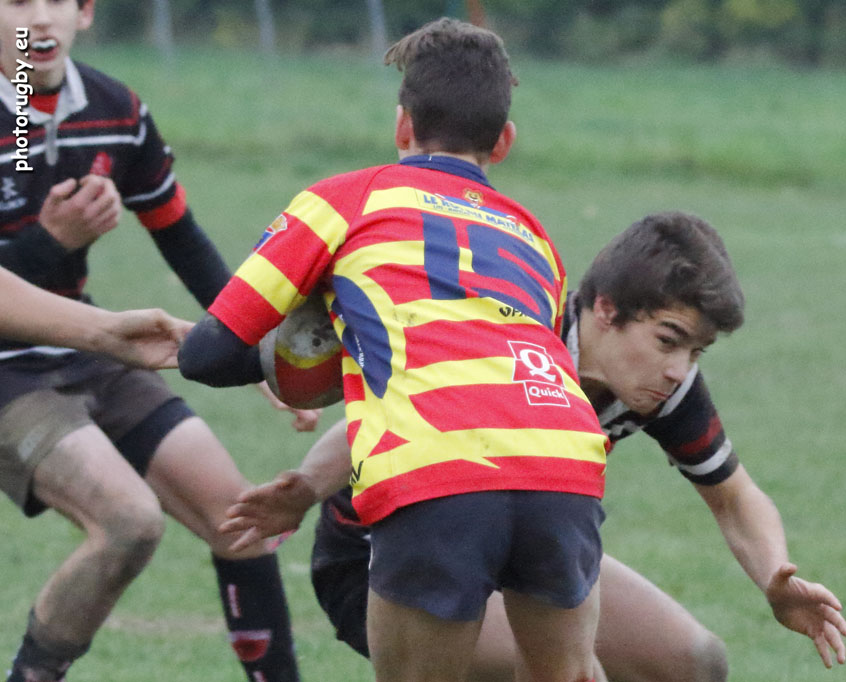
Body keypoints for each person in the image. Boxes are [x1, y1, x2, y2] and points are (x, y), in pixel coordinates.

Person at [222, 213, 846, 681]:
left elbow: (735, 498)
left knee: (694, 661)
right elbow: (384, 415)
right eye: (668, 340)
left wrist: (775, 577)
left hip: (513, 548)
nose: (678, 369)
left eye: (696, 351)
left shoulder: (664, 388)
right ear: (604, 309)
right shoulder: (517, 333)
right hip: (382, 553)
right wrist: (307, 487)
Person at [180, 18, 611, 682]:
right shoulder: (535, 239)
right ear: (504, 141)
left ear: (402, 125)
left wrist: (306, 352)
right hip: (563, 463)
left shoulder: (344, 201)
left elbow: (207, 355)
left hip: (435, 469)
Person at [0, 2, 314, 681]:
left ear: (85, 12)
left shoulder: (117, 111)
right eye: (18, 0)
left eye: (57, 0)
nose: (39, 19)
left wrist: (254, 345)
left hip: (92, 350)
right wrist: (48, 243)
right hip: (7, 372)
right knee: (128, 522)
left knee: (243, 520)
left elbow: (180, 236)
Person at [0, 266, 190, 368]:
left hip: (87, 353)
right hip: (14, 366)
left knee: (192, 432)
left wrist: (108, 331)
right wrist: (48, 240)